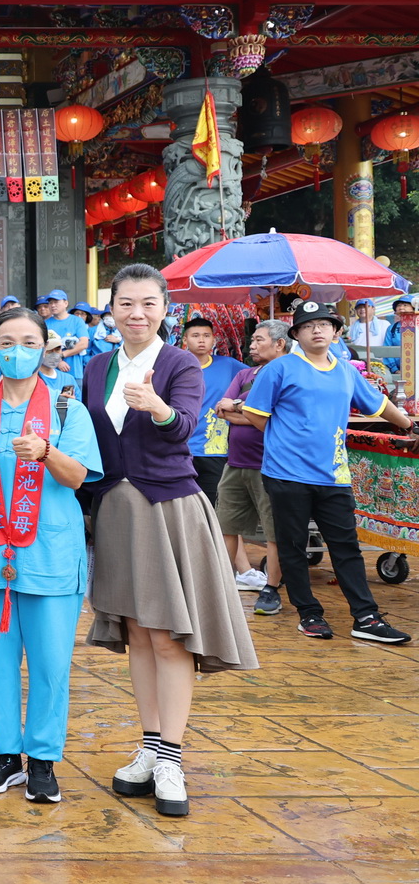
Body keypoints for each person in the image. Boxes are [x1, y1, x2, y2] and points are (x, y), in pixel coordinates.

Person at [80, 264, 257, 819]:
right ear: (111, 309)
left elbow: (184, 425)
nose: (137, 314)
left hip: (167, 507)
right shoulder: (97, 366)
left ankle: (171, 758)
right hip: (115, 510)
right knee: (137, 633)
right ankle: (150, 745)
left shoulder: (180, 363)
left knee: (167, 637)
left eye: (148, 304)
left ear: (164, 309)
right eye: (126, 304)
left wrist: (156, 407)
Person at [0, 307, 102, 804]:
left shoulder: (68, 409)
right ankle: (4, 755)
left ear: (45, 347)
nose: (16, 352)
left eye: (28, 342)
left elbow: (79, 477)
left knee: (50, 664)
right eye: (6, 343)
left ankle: (43, 758)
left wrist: (46, 452)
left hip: (50, 555)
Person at [245, 300, 415, 644]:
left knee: (346, 546)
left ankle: (365, 617)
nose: (317, 330)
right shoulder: (280, 369)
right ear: (296, 335)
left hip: (333, 475)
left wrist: (409, 425)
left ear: (336, 332)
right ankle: (309, 614)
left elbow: (378, 404)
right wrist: (285, 441)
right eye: (308, 326)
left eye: (324, 324)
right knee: (294, 546)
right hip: (286, 474)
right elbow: (255, 413)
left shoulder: (346, 371)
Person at [214, 320, 290, 607]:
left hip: (270, 465)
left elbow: (276, 418)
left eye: (259, 340)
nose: (251, 346)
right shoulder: (245, 373)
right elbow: (221, 409)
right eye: (253, 340)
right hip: (235, 462)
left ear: (279, 344)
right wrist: (250, 413)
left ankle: (271, 588)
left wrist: (239, 408)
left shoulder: (289, 373)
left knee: (273, 531)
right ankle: (222, 584)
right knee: (226, 525)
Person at [179, 316, 247, 509]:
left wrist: (237, 405)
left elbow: (259, 379)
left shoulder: (229, 365)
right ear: (185, 339)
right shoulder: (175, 365)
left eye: (206, 335)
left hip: (214, 449)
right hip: (180, 448)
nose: (201, 340)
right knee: (183, 508)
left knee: (213, 508)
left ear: (214, 339)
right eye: (195, 336)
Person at [41, 290, 89, 372]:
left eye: (56, 302)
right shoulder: (45, 324)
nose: (53, 305)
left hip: (74, 370)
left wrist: (62, 355)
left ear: (66, 303)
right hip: (51, 371)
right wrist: (58, 362)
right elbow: (42, 347)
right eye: (50, 303)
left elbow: (84, 344)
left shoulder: (77, 321)